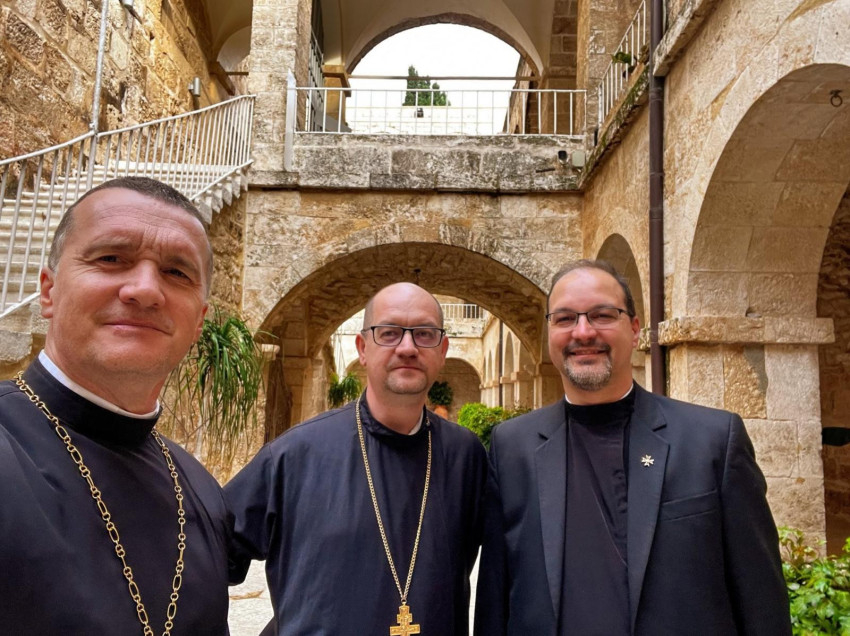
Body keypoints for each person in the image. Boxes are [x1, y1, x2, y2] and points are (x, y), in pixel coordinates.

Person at [474, 259, 790, 636]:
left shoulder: (713, 440)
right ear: (550, 333)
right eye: (565, 318)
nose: (583, 331)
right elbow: (495, 599)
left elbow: (761, 602)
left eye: (602, 315)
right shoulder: (512, 447)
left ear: (635, 329)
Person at [0, 177, 231, 634]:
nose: (145, 290)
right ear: (48, 291)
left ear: (199, 322)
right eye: (111, 259)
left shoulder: (203, 492)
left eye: (176, 273)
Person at [225, 282, 487, 635]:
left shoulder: (466, 456)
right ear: (363, 348)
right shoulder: (294, 454)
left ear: (442, 351)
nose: (407, 348)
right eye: (389, 333)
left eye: (424, 334)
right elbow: (202, 562)